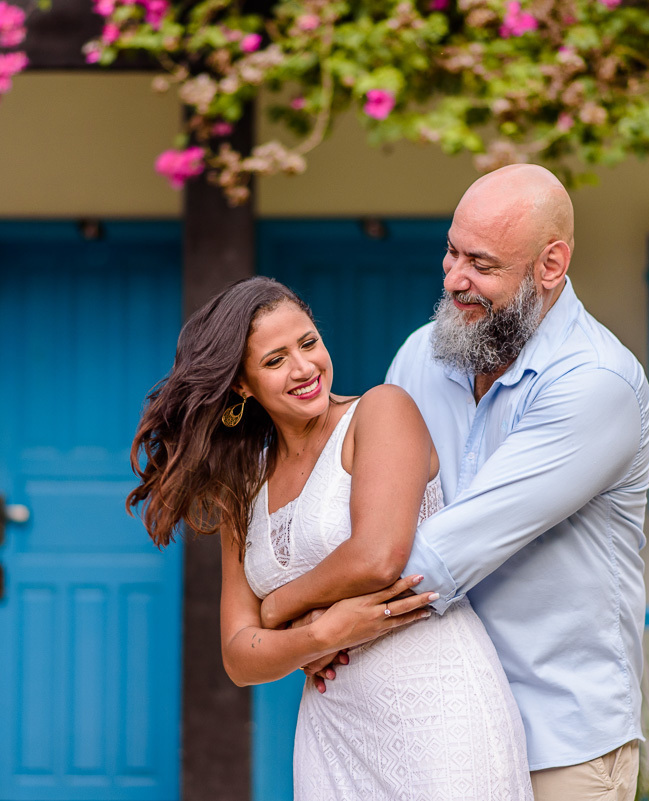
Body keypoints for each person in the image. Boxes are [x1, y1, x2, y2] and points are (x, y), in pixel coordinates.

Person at [280, 164, 649, 800]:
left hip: (555, 741)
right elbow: (365, 506)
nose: (455, 278)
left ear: (551, 265)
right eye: (452, 252)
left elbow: (444, 553)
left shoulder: (596, 382)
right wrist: (314, 621)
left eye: (481, 264)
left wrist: (299, 619)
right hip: (427, 721)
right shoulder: (420, 356)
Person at [128, 277, 533, 800]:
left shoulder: (381, 411)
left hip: (437, 708)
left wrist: (277, 609)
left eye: (308, 343)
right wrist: (318, 636)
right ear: (242, 386)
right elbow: (238, 656)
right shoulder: (243, 484)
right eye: (275, 360)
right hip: (333, 729)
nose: (303, 368)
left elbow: (378, 556)